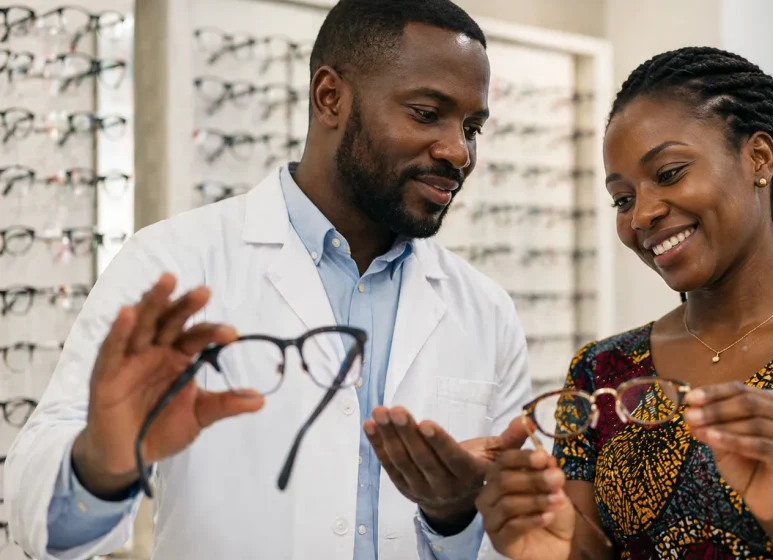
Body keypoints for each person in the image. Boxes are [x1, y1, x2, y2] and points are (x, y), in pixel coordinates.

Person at [6, 1, 532, 558]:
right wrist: (101, 465)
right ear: (330, 97)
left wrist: (452, 517)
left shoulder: (485, 309)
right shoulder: (173, 262)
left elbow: (517, 535)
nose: (458, 151)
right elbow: (40, 522)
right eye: (427, 113)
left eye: (472, 127)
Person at [474, 47, 773, 559]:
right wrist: (549, 546)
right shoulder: (600, 373)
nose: (643, 214)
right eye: (623, 198)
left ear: (758, 158)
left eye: (670, 173)